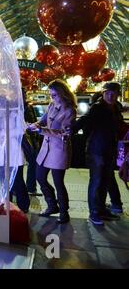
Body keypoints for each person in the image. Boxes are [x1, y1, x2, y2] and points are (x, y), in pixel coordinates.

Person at [69, 82, 128, 225]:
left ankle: (101, 210)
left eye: (114, 93)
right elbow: (84, 119)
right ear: (103, 93)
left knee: (105, 180)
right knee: (96, 181)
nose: (111, 96)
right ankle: (94, 212)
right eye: (108, 93)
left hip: (109, 150)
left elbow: (119, 127)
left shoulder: (115, 109)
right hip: (97, 150)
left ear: (118, 95)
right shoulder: (98, 108)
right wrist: (72, 129)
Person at [28, 79, 77, 224]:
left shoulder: (69, 110)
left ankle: (63, 212)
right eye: (50, 95)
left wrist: (41, 130)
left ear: (63, 94)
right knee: (40, 177)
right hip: (45, 149)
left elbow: (64, 133)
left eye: (54, 95)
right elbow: (43, 121)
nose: (52, 98)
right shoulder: (51, 105)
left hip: (59, 149)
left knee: (58, 182)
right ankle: (52, 205)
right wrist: (35, 124)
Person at [0, 97, 30, 214]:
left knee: (17, 181)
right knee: (3, 181)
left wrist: (5, 134)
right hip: (1, 153)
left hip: (13, 151)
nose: (0, 107)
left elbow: (21, 130)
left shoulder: (16, 114)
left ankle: (23, 206)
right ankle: (6, 204)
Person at [22, 89, 41, 196]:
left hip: (31, 137)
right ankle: (28, 188)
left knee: (33, 162)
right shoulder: (17, 107)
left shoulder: (28, 106)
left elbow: (34, 120)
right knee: (30, 162)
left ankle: (31, 187)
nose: (24, 96)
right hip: (23, 138)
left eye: (24, 94)